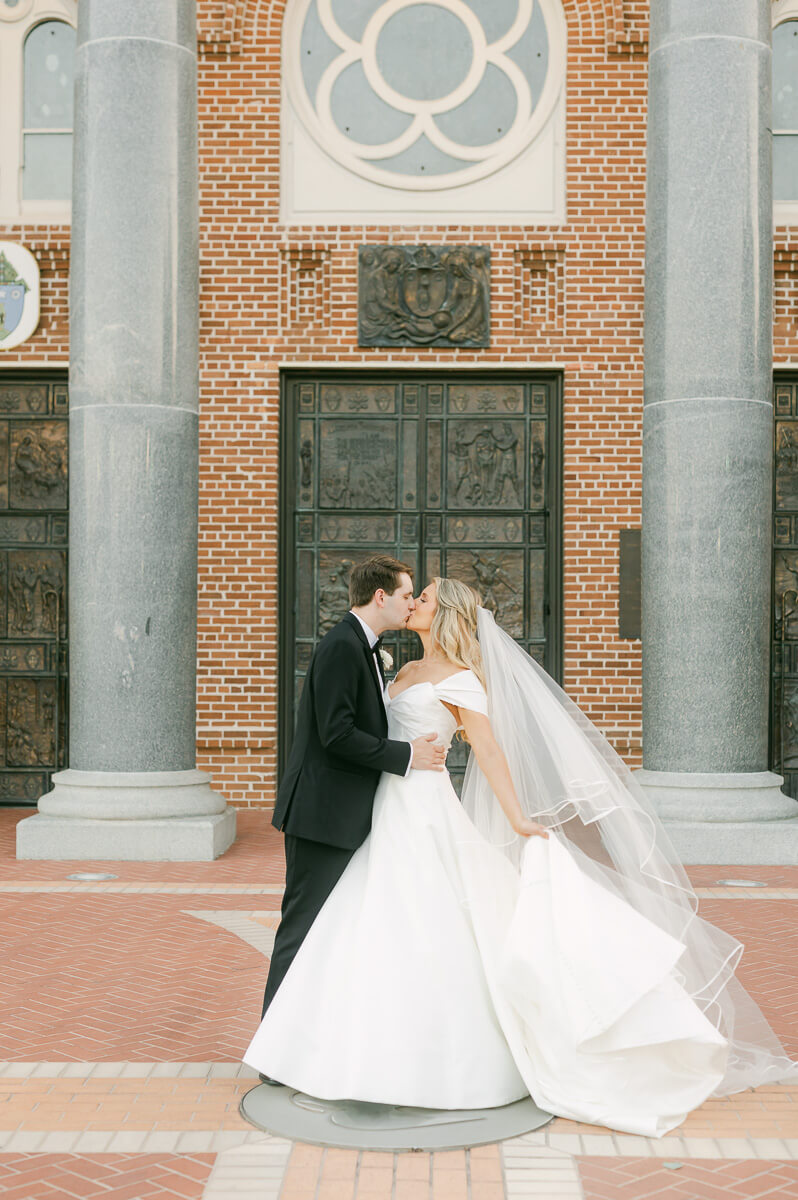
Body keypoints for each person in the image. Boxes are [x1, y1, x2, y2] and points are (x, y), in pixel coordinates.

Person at [245, 576, 798, 1136]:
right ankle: (337, 1047)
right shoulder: (400, 670)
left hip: (423, 809)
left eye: (426, 599)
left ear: (447, 616)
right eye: (412, 595)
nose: (415, 603)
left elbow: (488, 752)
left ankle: (439, 1062)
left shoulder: (463, 681)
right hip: (381, 810)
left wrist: (516, 818)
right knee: (368, 924)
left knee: (426, 925)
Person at [259, 555, 445, 1031]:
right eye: (406, 595)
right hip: (321, 816)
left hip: (342, 815)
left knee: (330, 930)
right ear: (380, 596)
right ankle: (274, 1046)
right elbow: (336, 734)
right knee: (301, 930)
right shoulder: (343, 646)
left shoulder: (365, 646)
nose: (410, 604)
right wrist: (405, 756)